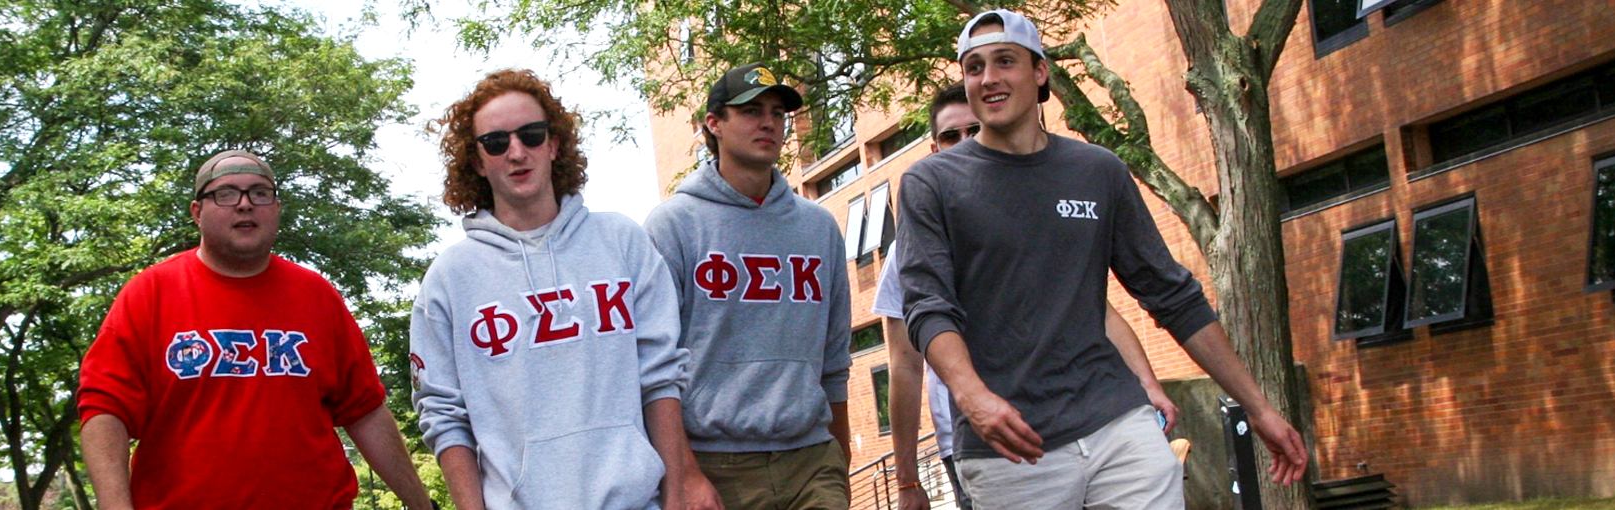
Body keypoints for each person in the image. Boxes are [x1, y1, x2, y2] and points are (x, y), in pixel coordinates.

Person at [897, 10, 1309, 509]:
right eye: (974, 67)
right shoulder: (931, 184)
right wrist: (970, 395)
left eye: (1005, 61)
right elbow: (927, 305)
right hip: (1011, 448)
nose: (988, 79)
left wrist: (1258, 406)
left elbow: (1172, 295)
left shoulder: (1098, 171)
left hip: (1116, 421)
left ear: (1040, 71)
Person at [411, 68, 718, 510]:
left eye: (531, 135)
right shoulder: (450, 278)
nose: (516, 152)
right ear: (477, 161)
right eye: (496, 142)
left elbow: (661, 379)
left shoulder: (622, 242)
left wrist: (673, 500)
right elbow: (444, 416)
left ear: (554, 144)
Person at [877, 82, 1181, 510]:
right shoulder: (909, 246)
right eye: (950, 136)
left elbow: (1098, 311)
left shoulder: (1033, 211)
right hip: (986, 443)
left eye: (974, 129)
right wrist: (908, 481)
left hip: (1091, 419)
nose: (964, 142)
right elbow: (905, 366)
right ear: (933, 148)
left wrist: (1145, 383)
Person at [76, 150, 435, 510]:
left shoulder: (316, 295)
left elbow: (366, 412)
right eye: (226, 193)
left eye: (260, 193)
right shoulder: (149, 294)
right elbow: (104, 411)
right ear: (197, 213)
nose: (245, 205)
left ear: (276, 208)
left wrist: (421, 505)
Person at [643, 63, 853, 510]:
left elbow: (835, 357)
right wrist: (685, 474)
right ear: (713, 123)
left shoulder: (819, 227)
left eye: (778, 113)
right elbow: (654, 368)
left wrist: (842, 454)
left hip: (812, 459)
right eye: (751, 110)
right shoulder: (673, 226)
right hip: (715, 465)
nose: (769, 123)